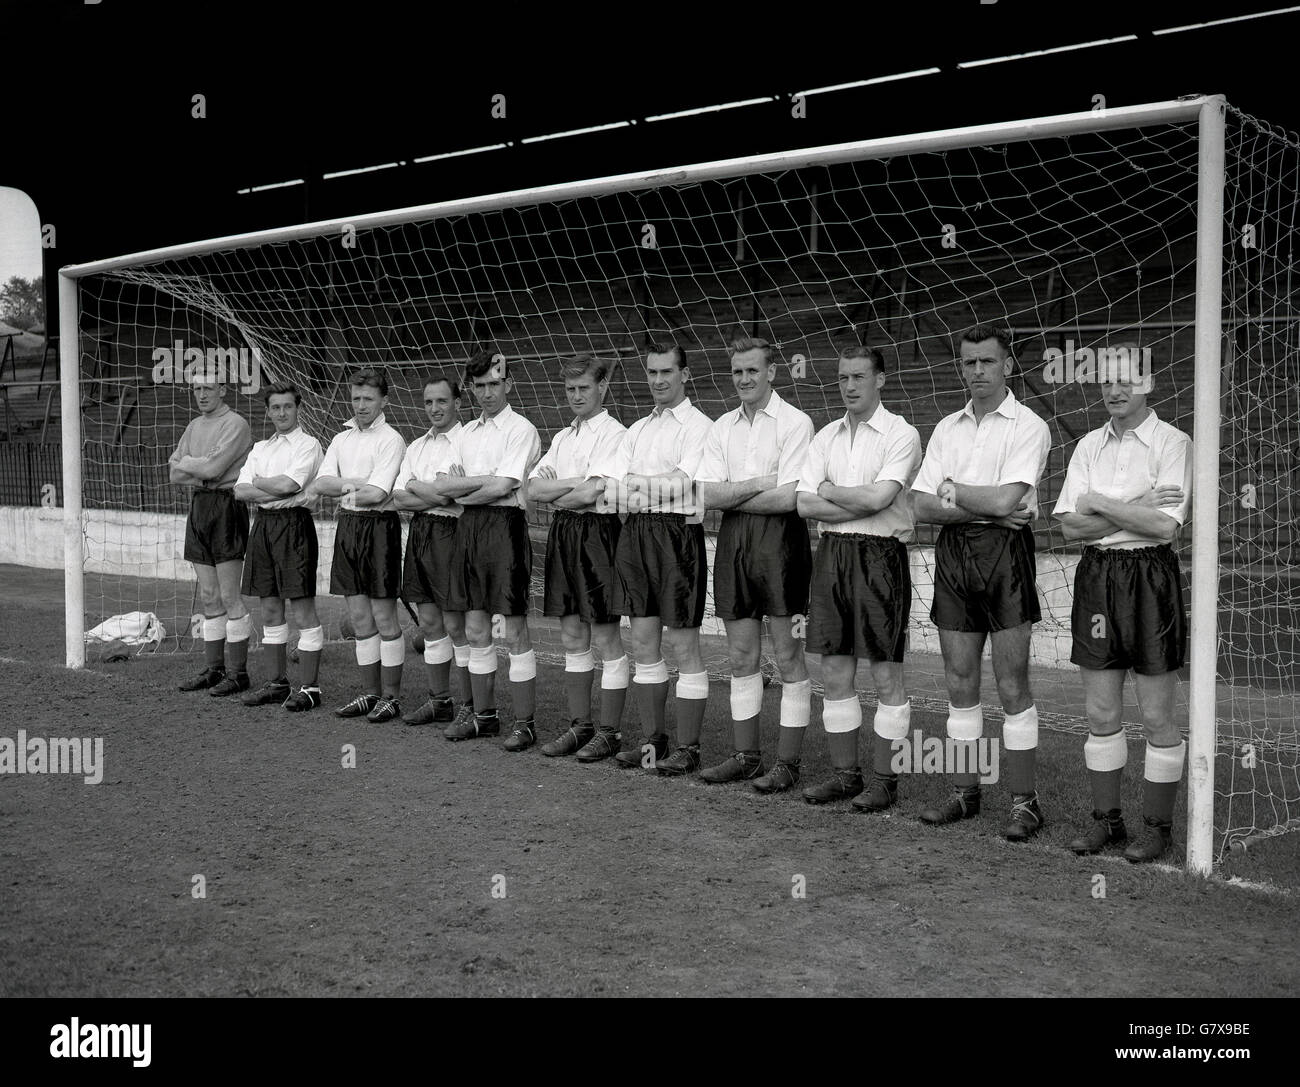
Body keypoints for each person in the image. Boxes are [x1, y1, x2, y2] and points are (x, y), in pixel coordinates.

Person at [912, 324, 1052, 841]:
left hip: (1005, 558)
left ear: (1008, 366)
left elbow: (1001, 502)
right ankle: (964, 791)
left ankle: (1024, 803)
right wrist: (981, 502)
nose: (977, 372)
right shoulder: (947, 428)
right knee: (958, 681)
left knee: (1012, 683)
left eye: (987, 362)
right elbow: (917, 503)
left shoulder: (1029, 425)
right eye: (969, 363)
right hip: (953, 554)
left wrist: (953, 492)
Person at [1054, 345, 1192, 862]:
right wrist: (1133, 507)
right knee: (1100, 708)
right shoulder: (1088, 445)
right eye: (1105, 383)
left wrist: (1101, 504)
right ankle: (1106, 821)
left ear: (1149, 383)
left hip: (1150, 577)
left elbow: (1163, 525)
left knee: (1156, 714)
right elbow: (1069, 525)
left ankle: (1157, 827)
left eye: (1125, 381)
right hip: (1097, 577)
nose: (1114, 391)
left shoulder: (1173, 443)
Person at [793, 344, 922, 807]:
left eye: (859, 377)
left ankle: (886, 781)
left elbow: (879, 500)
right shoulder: (825, 435)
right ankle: (845, 775)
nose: (849, 386)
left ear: (880, 379)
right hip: (831, 554)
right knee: (834, 669)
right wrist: (846, 496)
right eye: (843, 378)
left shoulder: (901, 434)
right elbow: (804, 503)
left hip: (880, 556)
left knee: (886, 673)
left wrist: (830, 490)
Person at [695, 337, 814, 786]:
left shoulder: (796, 423)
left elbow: (789, 498)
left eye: (752, 370)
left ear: (772, 372)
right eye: (737, 372)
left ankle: (788, 763)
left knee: (787, 653)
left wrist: (736, 491)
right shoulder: (721, 427)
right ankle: (746, 756)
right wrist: (759, 482)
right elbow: (705, 494)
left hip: (784, 547)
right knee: (741, 653)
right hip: (733, 544)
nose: (744, 379)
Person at [594, 342, 713, 776]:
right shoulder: (636, 429)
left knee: (684, 644)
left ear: (685, 374)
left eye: (667, 371)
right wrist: (649, 486)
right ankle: (653, 742)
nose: (658, 380)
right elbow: (611, 490)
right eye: (651, 372)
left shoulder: (702, 427)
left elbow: (686, 485)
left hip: (677, 536)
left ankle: (690, 747)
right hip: (636, 534)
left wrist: (639, 485)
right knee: (642, 641)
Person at [430, 351, 542, 750]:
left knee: (513, 629)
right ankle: (485, 716)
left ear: (508, 385)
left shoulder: (522, 429)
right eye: (480, 386)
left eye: (495, 383)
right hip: (469, 528)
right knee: (476, 628)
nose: (487, 392)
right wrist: (482, 482)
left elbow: (504, 487)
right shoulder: (464, 434)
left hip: (505, 528)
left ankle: (525, 724)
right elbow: (442, 485)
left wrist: (468, 485)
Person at [527, 355, 630, 761]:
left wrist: (563, 491)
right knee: (572, 635)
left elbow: (595, 493)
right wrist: (577, 485)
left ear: (601, 387)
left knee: (605, 635)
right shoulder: (563, 438)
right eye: (570, 389)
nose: (576, 396)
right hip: (564, 532)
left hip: (599, 536)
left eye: (583, 388)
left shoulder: (616, 434)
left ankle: (610, 732)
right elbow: (533, 489)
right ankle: (580, 726)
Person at [310, 367, 408, 722]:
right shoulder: (341, 439)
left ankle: (392, 697)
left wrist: (344, 488)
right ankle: (370, 693)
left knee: (384, 616)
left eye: (368, 398)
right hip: (348, 529)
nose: (361, 405)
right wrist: (355, 486)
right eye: (356, 398)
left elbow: (378, 492)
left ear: (384, 400)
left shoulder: (392, 440)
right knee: (359, 617)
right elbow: (321, 483)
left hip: (379, 528)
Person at [231, 381, 326, 710]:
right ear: (268, 410)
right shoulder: (260, 448)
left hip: (294, 526)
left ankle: (310, 689)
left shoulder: (309, 445)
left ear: (297, 407)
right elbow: (240, 491)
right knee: (269, 608)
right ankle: (276, 684)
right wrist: (267, 489)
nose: (282, 412)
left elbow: (291, 485)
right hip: (263, 527)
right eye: (276, 407)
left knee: (302, 610)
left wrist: (259, 483)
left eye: (288, 406)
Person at [390, 373, 473, 729]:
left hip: (454, 534)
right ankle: (440, 700)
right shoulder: (416, 446)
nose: (435, 408)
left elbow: (452, 497)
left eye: (442, 401)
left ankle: (472, 704)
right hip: (421, 532)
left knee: (457, 623)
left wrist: (418, 488)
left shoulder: (468, 442)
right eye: (428, 402)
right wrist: (432, 492)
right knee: (429, 622)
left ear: (457, 402)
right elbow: (398, 495)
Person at [170, 371, 254, 695]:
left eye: (207, 388)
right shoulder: (193, 426)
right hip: (200, 505)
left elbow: (212, 470)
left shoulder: (236, 424)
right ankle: (214, 669)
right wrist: (198, 465)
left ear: (223, 389)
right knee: (208, 595)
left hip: (227, 506)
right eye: (196, 389)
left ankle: (238, 673)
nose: (201, 394)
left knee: (230, 595)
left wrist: (191, 463)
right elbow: (173, 471)